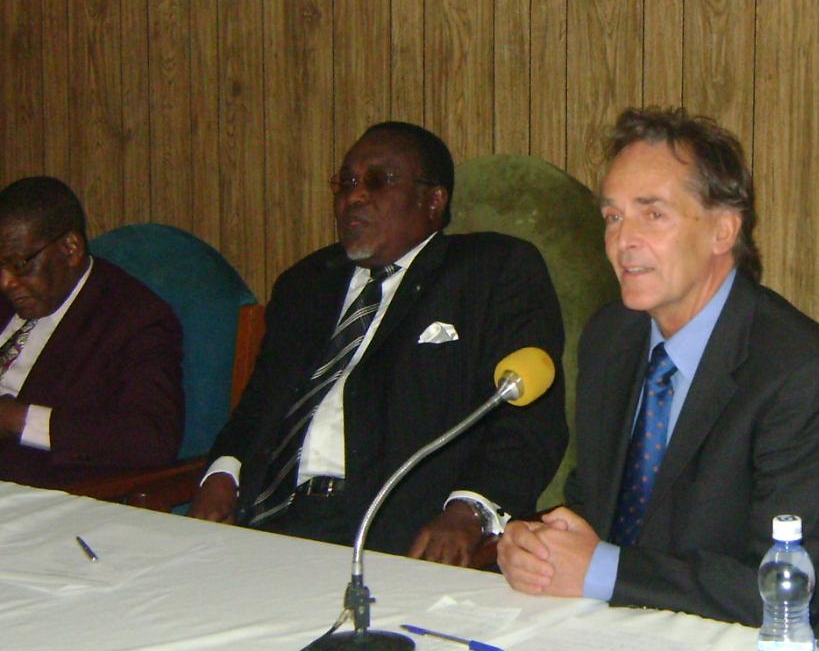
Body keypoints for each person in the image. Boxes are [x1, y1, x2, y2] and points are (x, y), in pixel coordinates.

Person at [497, 106, 819, 630]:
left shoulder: (804, 377)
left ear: (723, 230)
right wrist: (540, 546)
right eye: (613, 217)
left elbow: (789, 590)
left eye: (652, 214)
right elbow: (596, 506)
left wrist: (603, 570)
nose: (622, 241)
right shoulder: (611, 338)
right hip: (607, 636)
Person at [189, 122, 567, 565]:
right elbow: (258, 403)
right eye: (346, 183)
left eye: (378, 181)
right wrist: (222, 473)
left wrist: (469, 512)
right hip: (267, 517)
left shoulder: (491, 272)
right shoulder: (305, 283)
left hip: (393, 531)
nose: (355, 197)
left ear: (433, 200)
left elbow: (527, 422)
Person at [0, 177, 184, 485]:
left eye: (19, 265)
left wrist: (18, 420)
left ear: (70, 249)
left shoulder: (134, 320)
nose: (6, 282)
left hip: (33, 488)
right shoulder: (11, 297)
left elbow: (152, 437)